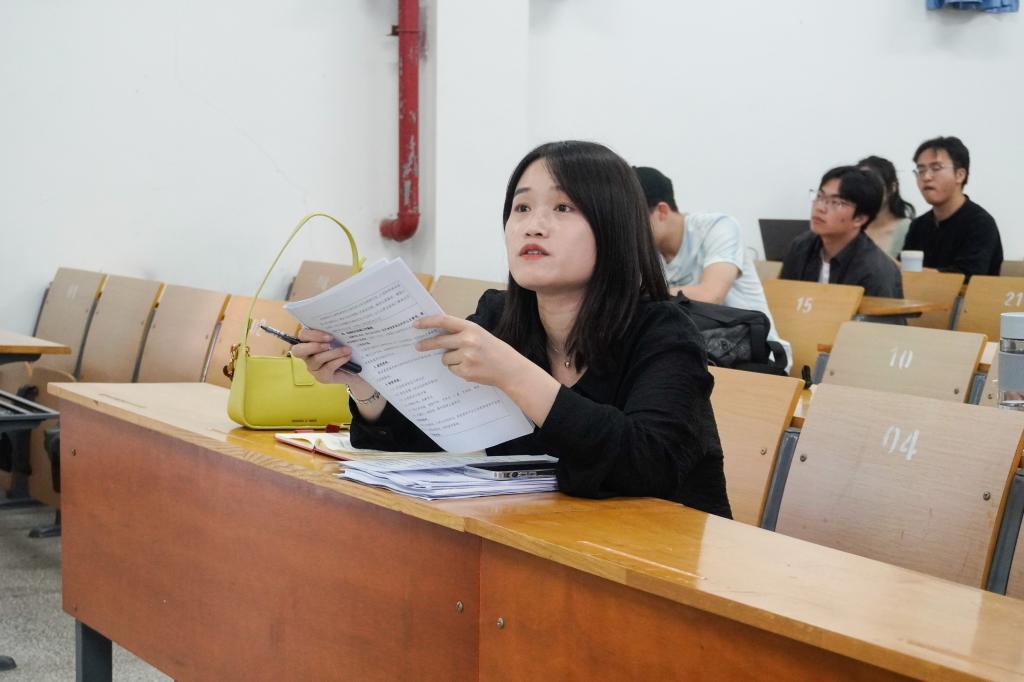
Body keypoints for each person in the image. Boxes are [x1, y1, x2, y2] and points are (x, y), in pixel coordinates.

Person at [292, 141, 731, 517]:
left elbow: (648, 466)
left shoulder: (665, 332)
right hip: (539, 543)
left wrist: (514, 374)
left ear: (614, 227)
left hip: (658, 562)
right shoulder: (499, 319)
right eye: (521, 208)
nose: (532, 225)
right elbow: (425, 440)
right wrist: (364, 384)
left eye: (563, 207)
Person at [633, 166, 790, 370]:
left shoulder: (718, 227)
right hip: (693, 356)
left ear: (661, 211)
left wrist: (639, 296)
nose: (627, 230)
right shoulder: (644, 251)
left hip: (754, 355)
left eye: (631, 219)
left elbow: (711, 294)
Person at [780, 166, 903, 298]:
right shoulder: (801, 247)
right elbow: (784, 300)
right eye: (819, 196)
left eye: (836, 202)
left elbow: (879, 312)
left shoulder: (876, 271)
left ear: (859, 218)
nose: (820, 207)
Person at [903, 136, 1002, 278]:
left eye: (936, 168)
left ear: (960, 175)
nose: (926, 177)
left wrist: (911, 272)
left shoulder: (981, 223)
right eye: (921, 170)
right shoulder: (918, 225)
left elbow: (968, 276)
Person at [857, 155, 915, 260]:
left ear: (892, 188)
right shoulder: (851, 228)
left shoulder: (909, 230)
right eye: (860, 186)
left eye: (874, 185)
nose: (866, 192)